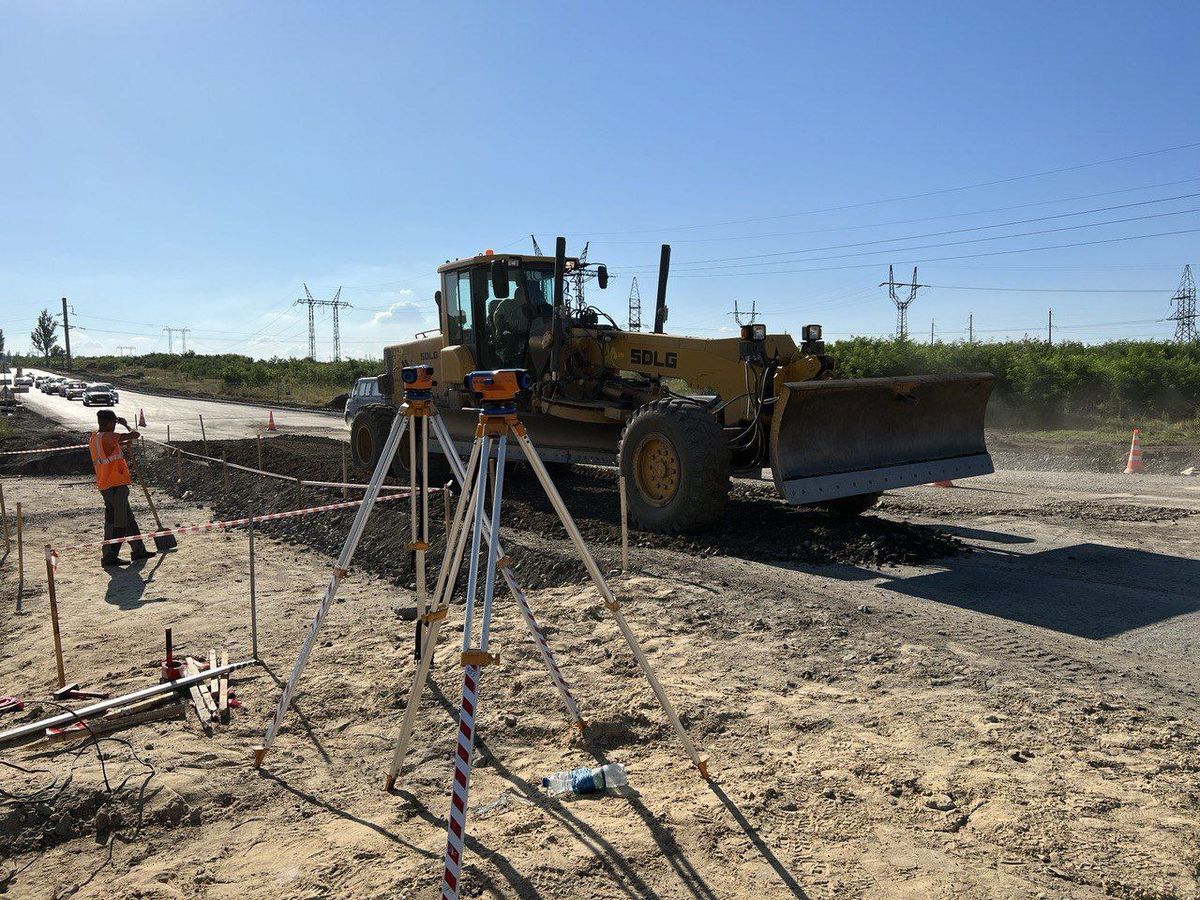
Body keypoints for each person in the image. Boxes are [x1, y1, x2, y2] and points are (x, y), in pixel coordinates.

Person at [88, 410, 154, 567]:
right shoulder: (109, 436)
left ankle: (139, 550)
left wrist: (122, 443)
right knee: (119, 521)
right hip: (115, 486)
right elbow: (135, 434)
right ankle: (110, 556)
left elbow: (111, 446)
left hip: (106, 485)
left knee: (127, 518)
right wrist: (126, 425)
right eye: (114, 423)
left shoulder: (95, 437)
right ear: (110, 422)